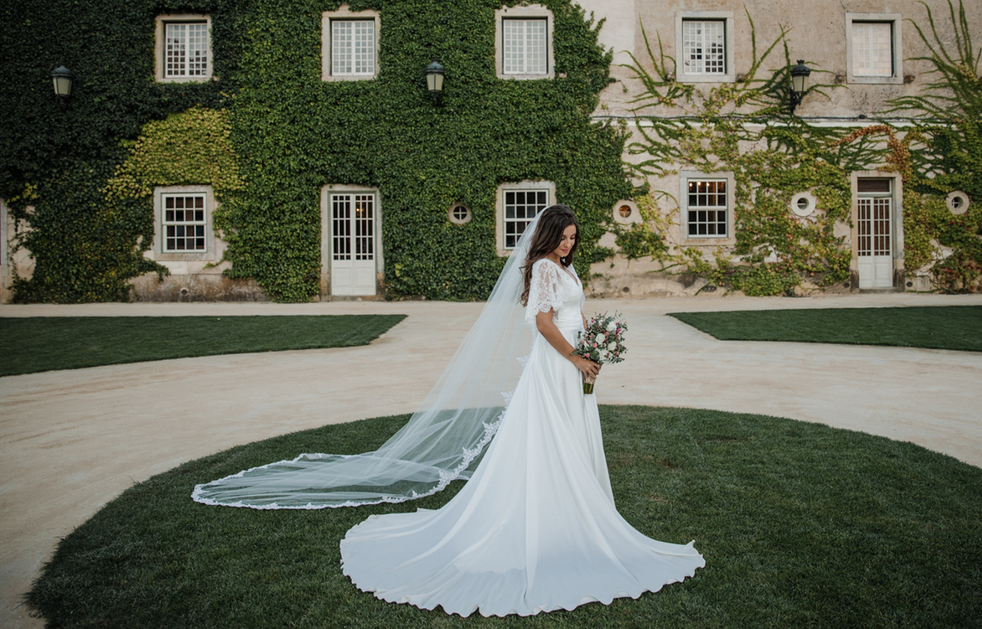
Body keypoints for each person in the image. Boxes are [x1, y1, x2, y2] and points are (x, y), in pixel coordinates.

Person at [194, 205, 703, 617]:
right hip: (554, 365)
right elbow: (543, 322)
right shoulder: (545, 268)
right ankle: (549, 518)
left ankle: (574, 512)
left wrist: (593, 347)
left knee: (570, 435)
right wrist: (573, 355)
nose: (569, 244)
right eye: (564, 236)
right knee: (549, 438)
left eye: (573, 237)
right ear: (547, 235)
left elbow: (573, 314)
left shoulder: (563, 268)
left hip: (574, 362)